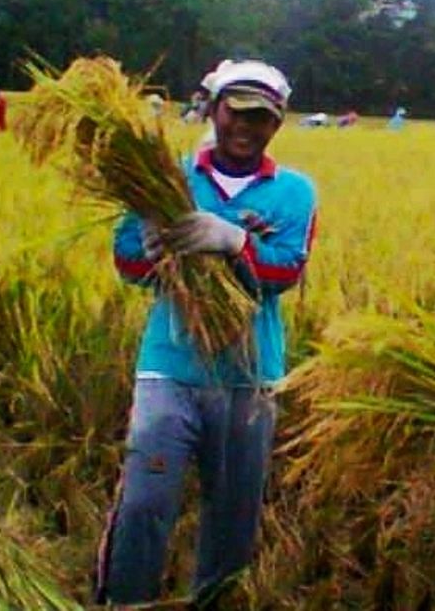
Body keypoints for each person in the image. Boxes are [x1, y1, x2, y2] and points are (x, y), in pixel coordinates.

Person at [95, 59, 318, 608]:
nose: (246, 127)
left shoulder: (293, 192)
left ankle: (214, 602)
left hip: (249, 376)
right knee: (145, 502)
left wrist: (235, 242)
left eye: (261, 118)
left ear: (278, 123)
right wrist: (152, 250)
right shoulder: (167, 176)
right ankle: (127, 601)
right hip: (169, 367)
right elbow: (126, 263)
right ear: (214, 108)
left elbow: (285, 272)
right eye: (235, 112)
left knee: (233, 515)